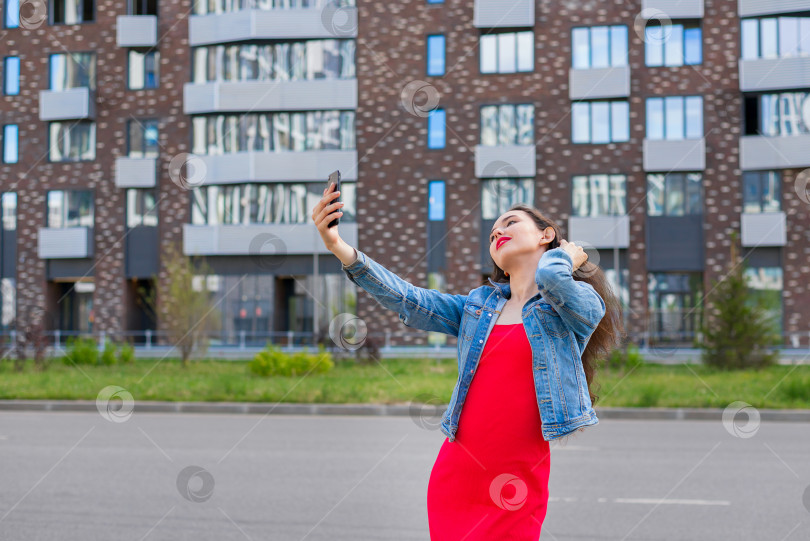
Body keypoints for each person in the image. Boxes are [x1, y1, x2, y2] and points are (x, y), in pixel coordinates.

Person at [311, 182, 625, 540]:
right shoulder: (477, 307)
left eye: (509, 222)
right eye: (493, 233)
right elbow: (407, 299)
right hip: (457, 475)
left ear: (546, 235)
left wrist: (566, 257)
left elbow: (553, 278)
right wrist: (338, 247)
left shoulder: (572, 305)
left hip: (515, 483)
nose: (497, 232)